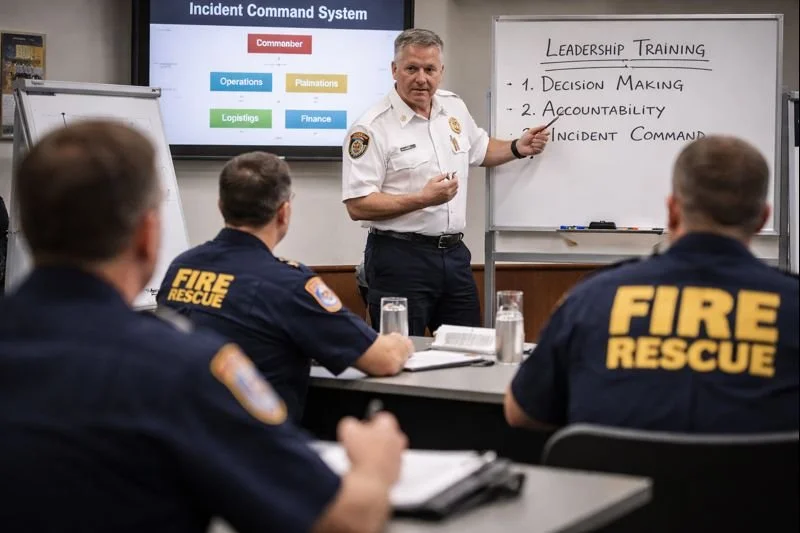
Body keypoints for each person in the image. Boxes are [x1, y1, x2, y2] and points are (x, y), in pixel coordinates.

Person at [0, 120, 407, 533]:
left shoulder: (182, 275)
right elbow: (348, 521)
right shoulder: (182, 369)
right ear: (146, 234)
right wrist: (376, 465)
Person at [505, 135, 799, 434]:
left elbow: (520, 413)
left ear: (672, 210)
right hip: (755, 482)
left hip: (619, 479)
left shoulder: (593, 298)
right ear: (762, 218)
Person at [157, 151, 413, 421]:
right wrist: (401, 343)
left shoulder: (181, 267)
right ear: (284, 212)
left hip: (178, 440)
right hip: (254, 447)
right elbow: (382, 360)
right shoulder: (288, 284)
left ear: (221, 206)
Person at [342, 28, 551, 336]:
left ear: (441, 72)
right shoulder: (371, 127)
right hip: (399, 259)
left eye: (429, 69)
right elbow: (358, 205)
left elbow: (480, 149)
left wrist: (518, 147)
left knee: (469, 352)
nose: (421, 79)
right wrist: (422, 199)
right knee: (399, 358)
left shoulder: (452, 107)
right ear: (394, 70)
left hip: (454, 257)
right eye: (411, 69)